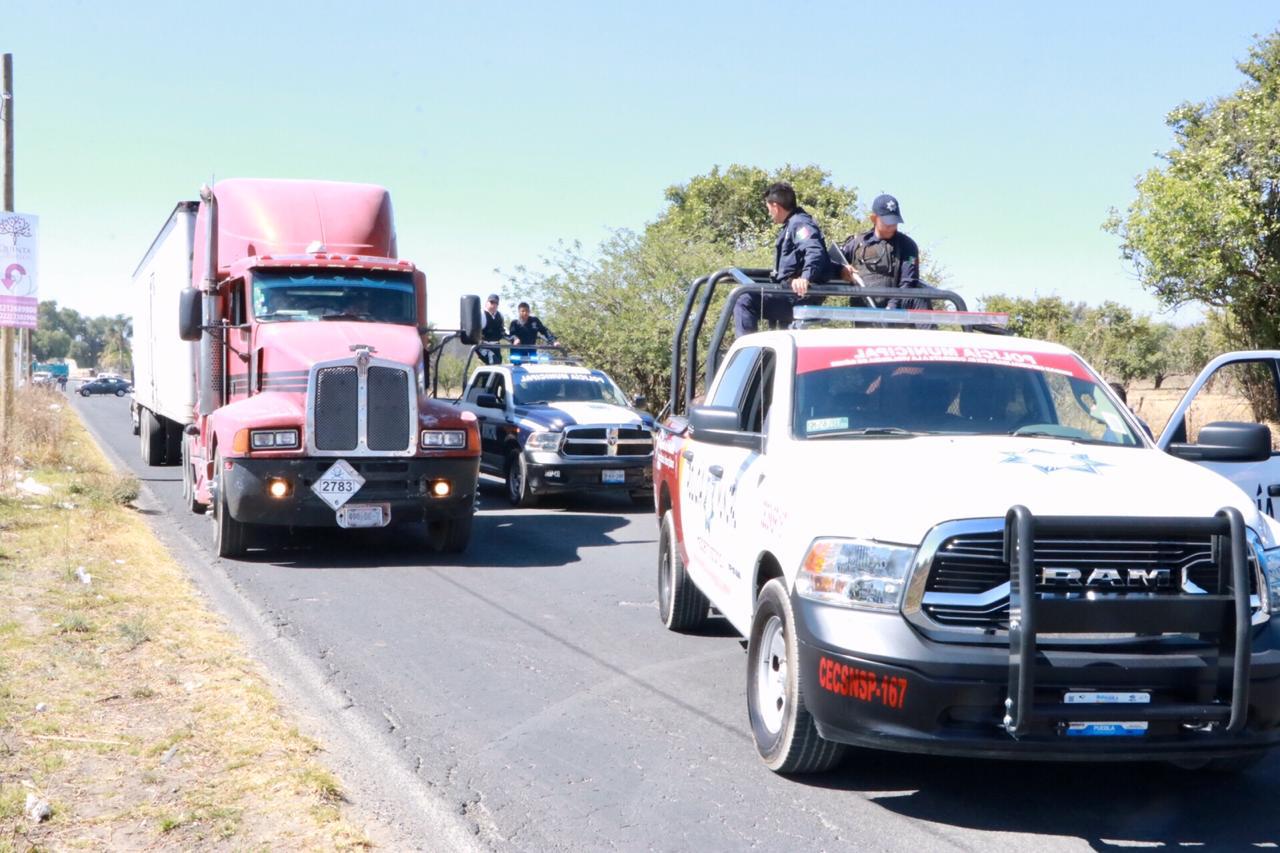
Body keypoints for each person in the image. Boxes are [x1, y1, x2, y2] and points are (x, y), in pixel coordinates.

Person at [733, 183, 833, 337]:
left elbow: (815, 251)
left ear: (775, 206)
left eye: (768, 209)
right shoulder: (793, 224)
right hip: (788, 293)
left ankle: (747, 353)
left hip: (797, 296)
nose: (769, 214)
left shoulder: (799, 224)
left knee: (744, 298)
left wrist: (805, 278)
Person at [839, 194, 925, 309]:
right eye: (887, 222)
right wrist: (841, 269)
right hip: (862, 313)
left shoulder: (907, 246)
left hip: (895, 315)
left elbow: (908, 282)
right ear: (874, 219)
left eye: (894, 222)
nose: (891, 226)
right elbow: (831, 264)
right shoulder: (857, 243)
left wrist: (892, 306)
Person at [478, 294, 506, 365]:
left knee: (498, 366)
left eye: (496, 303)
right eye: (491, 302)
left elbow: (502, 332)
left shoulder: (500, 316)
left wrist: (513, 339)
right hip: (484, 346)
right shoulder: (482, 315)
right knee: (493, 362)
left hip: (496, 346)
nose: (493, 305)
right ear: (486, 303)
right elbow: (474, 333)